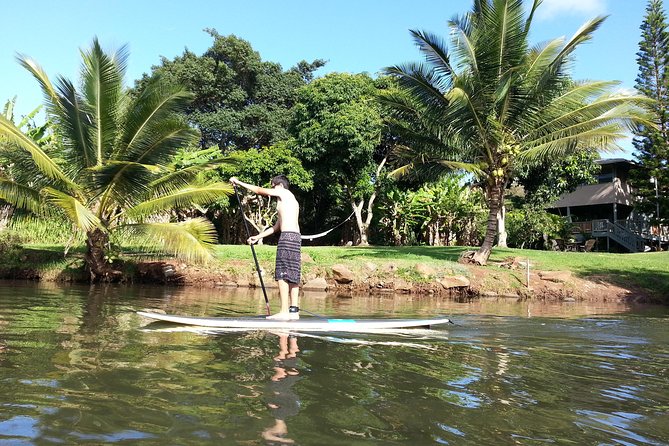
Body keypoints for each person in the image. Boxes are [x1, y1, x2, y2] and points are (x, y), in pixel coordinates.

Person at [230, 175, 301, 320]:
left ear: (279, 185)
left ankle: (284, 312)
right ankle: (294, 311)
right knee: (293, 274)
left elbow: (259, 190)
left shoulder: (284, 192)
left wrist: (239, 182)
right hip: (294, 237)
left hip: (287, 238)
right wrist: (258, 236)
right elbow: (276, 227)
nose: (272, 188)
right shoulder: (288, 202)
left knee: (282, 274)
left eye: (273, 186)